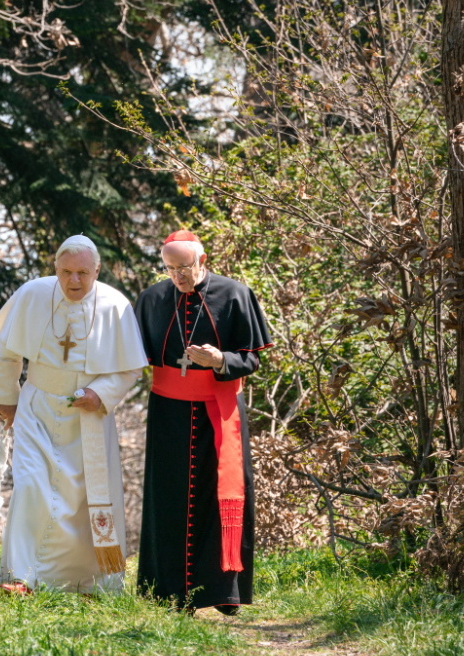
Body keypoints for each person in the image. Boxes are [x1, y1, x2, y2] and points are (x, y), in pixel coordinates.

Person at [0, 235, 147, 594]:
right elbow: (8, 352)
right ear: (55, 269)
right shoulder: (32, 294)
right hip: (37, 407)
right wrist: (7, 398)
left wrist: (99, 394)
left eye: (83, 273)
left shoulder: (114, 305)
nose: (74, 281)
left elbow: (128, 369)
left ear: (97, 271)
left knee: (82, 500)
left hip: (88, 417)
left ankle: (87, 583)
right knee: (30, 487)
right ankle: (21, 577)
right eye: (66, 272)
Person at [134, 230, 273, 615]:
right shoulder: (151, 299)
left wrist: (220, 361)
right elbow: (132, 354)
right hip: (168, 412)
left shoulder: (234, 294)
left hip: (220, 408)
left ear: (203, 260)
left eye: (185, 267)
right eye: (170, 268)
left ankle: (222, 592)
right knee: (168, 499)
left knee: (221, 496)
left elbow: (252, 359)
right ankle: (168, 592)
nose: (178, 276)